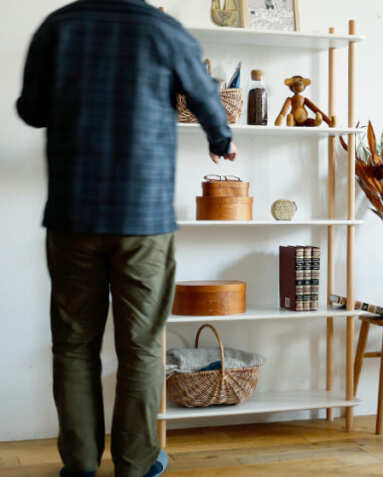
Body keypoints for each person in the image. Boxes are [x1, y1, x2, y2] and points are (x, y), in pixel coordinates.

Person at [16, 0, 236, 475]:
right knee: (141, 346)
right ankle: (136, 464)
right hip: (144, 218)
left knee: (73, 344)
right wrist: (221, 140)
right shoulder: (164, 30)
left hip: (73, 215)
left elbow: (31, 110)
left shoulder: (59, 26)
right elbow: (204, 95)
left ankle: (80, 465)